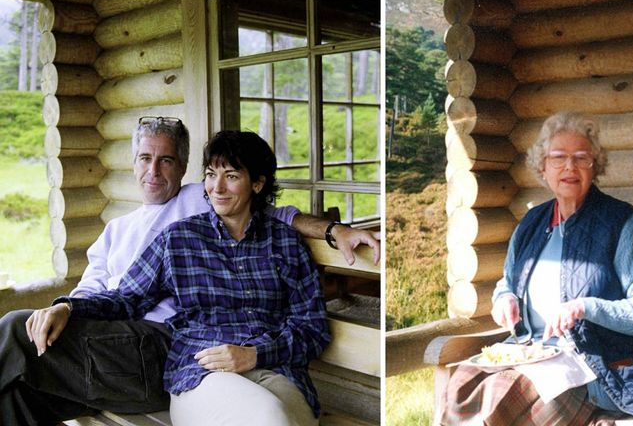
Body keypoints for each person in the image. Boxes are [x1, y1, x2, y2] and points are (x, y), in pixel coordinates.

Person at [0, 117, 376, 424]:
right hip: (201, 364)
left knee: (285, 419)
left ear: (257, 184)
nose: (217, 186)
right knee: (271, 419)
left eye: (231, 175)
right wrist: (69, 305)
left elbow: (311, 327)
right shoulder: (173, 238)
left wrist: (334, 230)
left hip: (267, 365)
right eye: (212, 174)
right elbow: (125, 298)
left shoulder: (278, 240)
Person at [441, 112, 633, 425]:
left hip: (595, 362)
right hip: (529, 351)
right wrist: (505, 298)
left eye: (582, 158)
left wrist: (585, 307)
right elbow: (507, 282)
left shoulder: (622, 224)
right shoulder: (531, 223)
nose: (570, 167)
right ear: (543, 166)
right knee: (462, 382)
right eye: (558, 158)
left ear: (595, 166)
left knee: (502, 394)